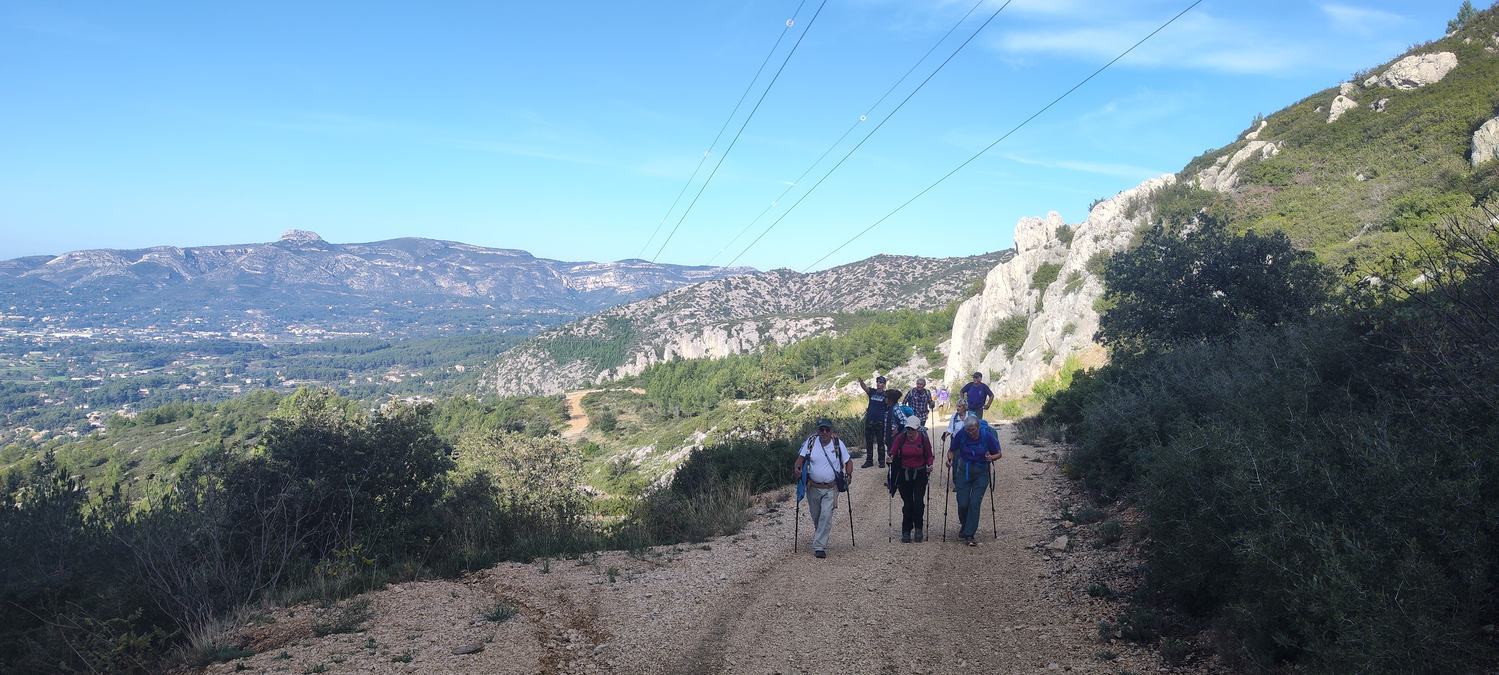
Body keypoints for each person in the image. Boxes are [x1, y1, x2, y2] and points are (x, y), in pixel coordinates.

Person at [793, 418, 853, 558]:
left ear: (831, 431)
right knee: (817, 516)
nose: (824, 432)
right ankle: (821, 535)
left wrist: (848, 475)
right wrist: (797, 468)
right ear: (818, 430)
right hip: (812, 486)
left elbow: (848, 462)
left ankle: (819, 546)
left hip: (831, 488)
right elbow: (800, 459)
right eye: (822, 429)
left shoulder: (838, 444)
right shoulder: (811, 442)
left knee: (826, 515)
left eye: (827, 430)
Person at [947, 412, 1001, 546]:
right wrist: (949, 459)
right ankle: (965, 526)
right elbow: (951, 450)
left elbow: (998, 453)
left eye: (972, 430)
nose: (970, 433)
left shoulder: (986, 436)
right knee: (963, 503)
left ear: (977, 427)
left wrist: (991, 458)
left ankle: (969, 534)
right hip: (963, 471)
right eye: (968, 430)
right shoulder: (961, 434)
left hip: (981, 473)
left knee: (975, 503)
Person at [889, 416, 934, 543]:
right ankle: (906, 530)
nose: (909, 432)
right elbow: (892, 452)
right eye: (908, 429)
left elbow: (929, 455)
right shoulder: (901, 438)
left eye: (912, 429)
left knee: (918, 502)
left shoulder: (923, 438)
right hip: (904, 474)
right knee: (908, 503)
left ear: (918, 429)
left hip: (920, 474)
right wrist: (890, 458)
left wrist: (930, 465)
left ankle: (919, 528)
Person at [856, 376, 891, 468]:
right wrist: (861, 382)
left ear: (884, 384)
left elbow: (889, 406)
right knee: (869, 442)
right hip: (870, 421)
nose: (879, 384)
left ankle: (882, 461)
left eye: (881, 382)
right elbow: (865, 388)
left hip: (880, 421)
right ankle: (869, 461)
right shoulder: (872, 392)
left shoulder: (886, 395)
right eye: (878, 382)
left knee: (880, 442)